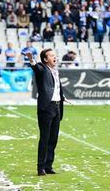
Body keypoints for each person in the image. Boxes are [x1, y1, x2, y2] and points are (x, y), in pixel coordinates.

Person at [26, 48, 65, 176]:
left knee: (53, 138)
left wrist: (62, 97)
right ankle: (40, 167)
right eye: (51, 55)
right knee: (45, 138)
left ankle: (49, 165)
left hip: (57, 107)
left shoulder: (55, 71)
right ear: (45, 59)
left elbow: (55, 88)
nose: (55, 57)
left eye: (55, 55)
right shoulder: (42, 68)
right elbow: (36, 68)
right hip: (46, 108)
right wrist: (32, 60)